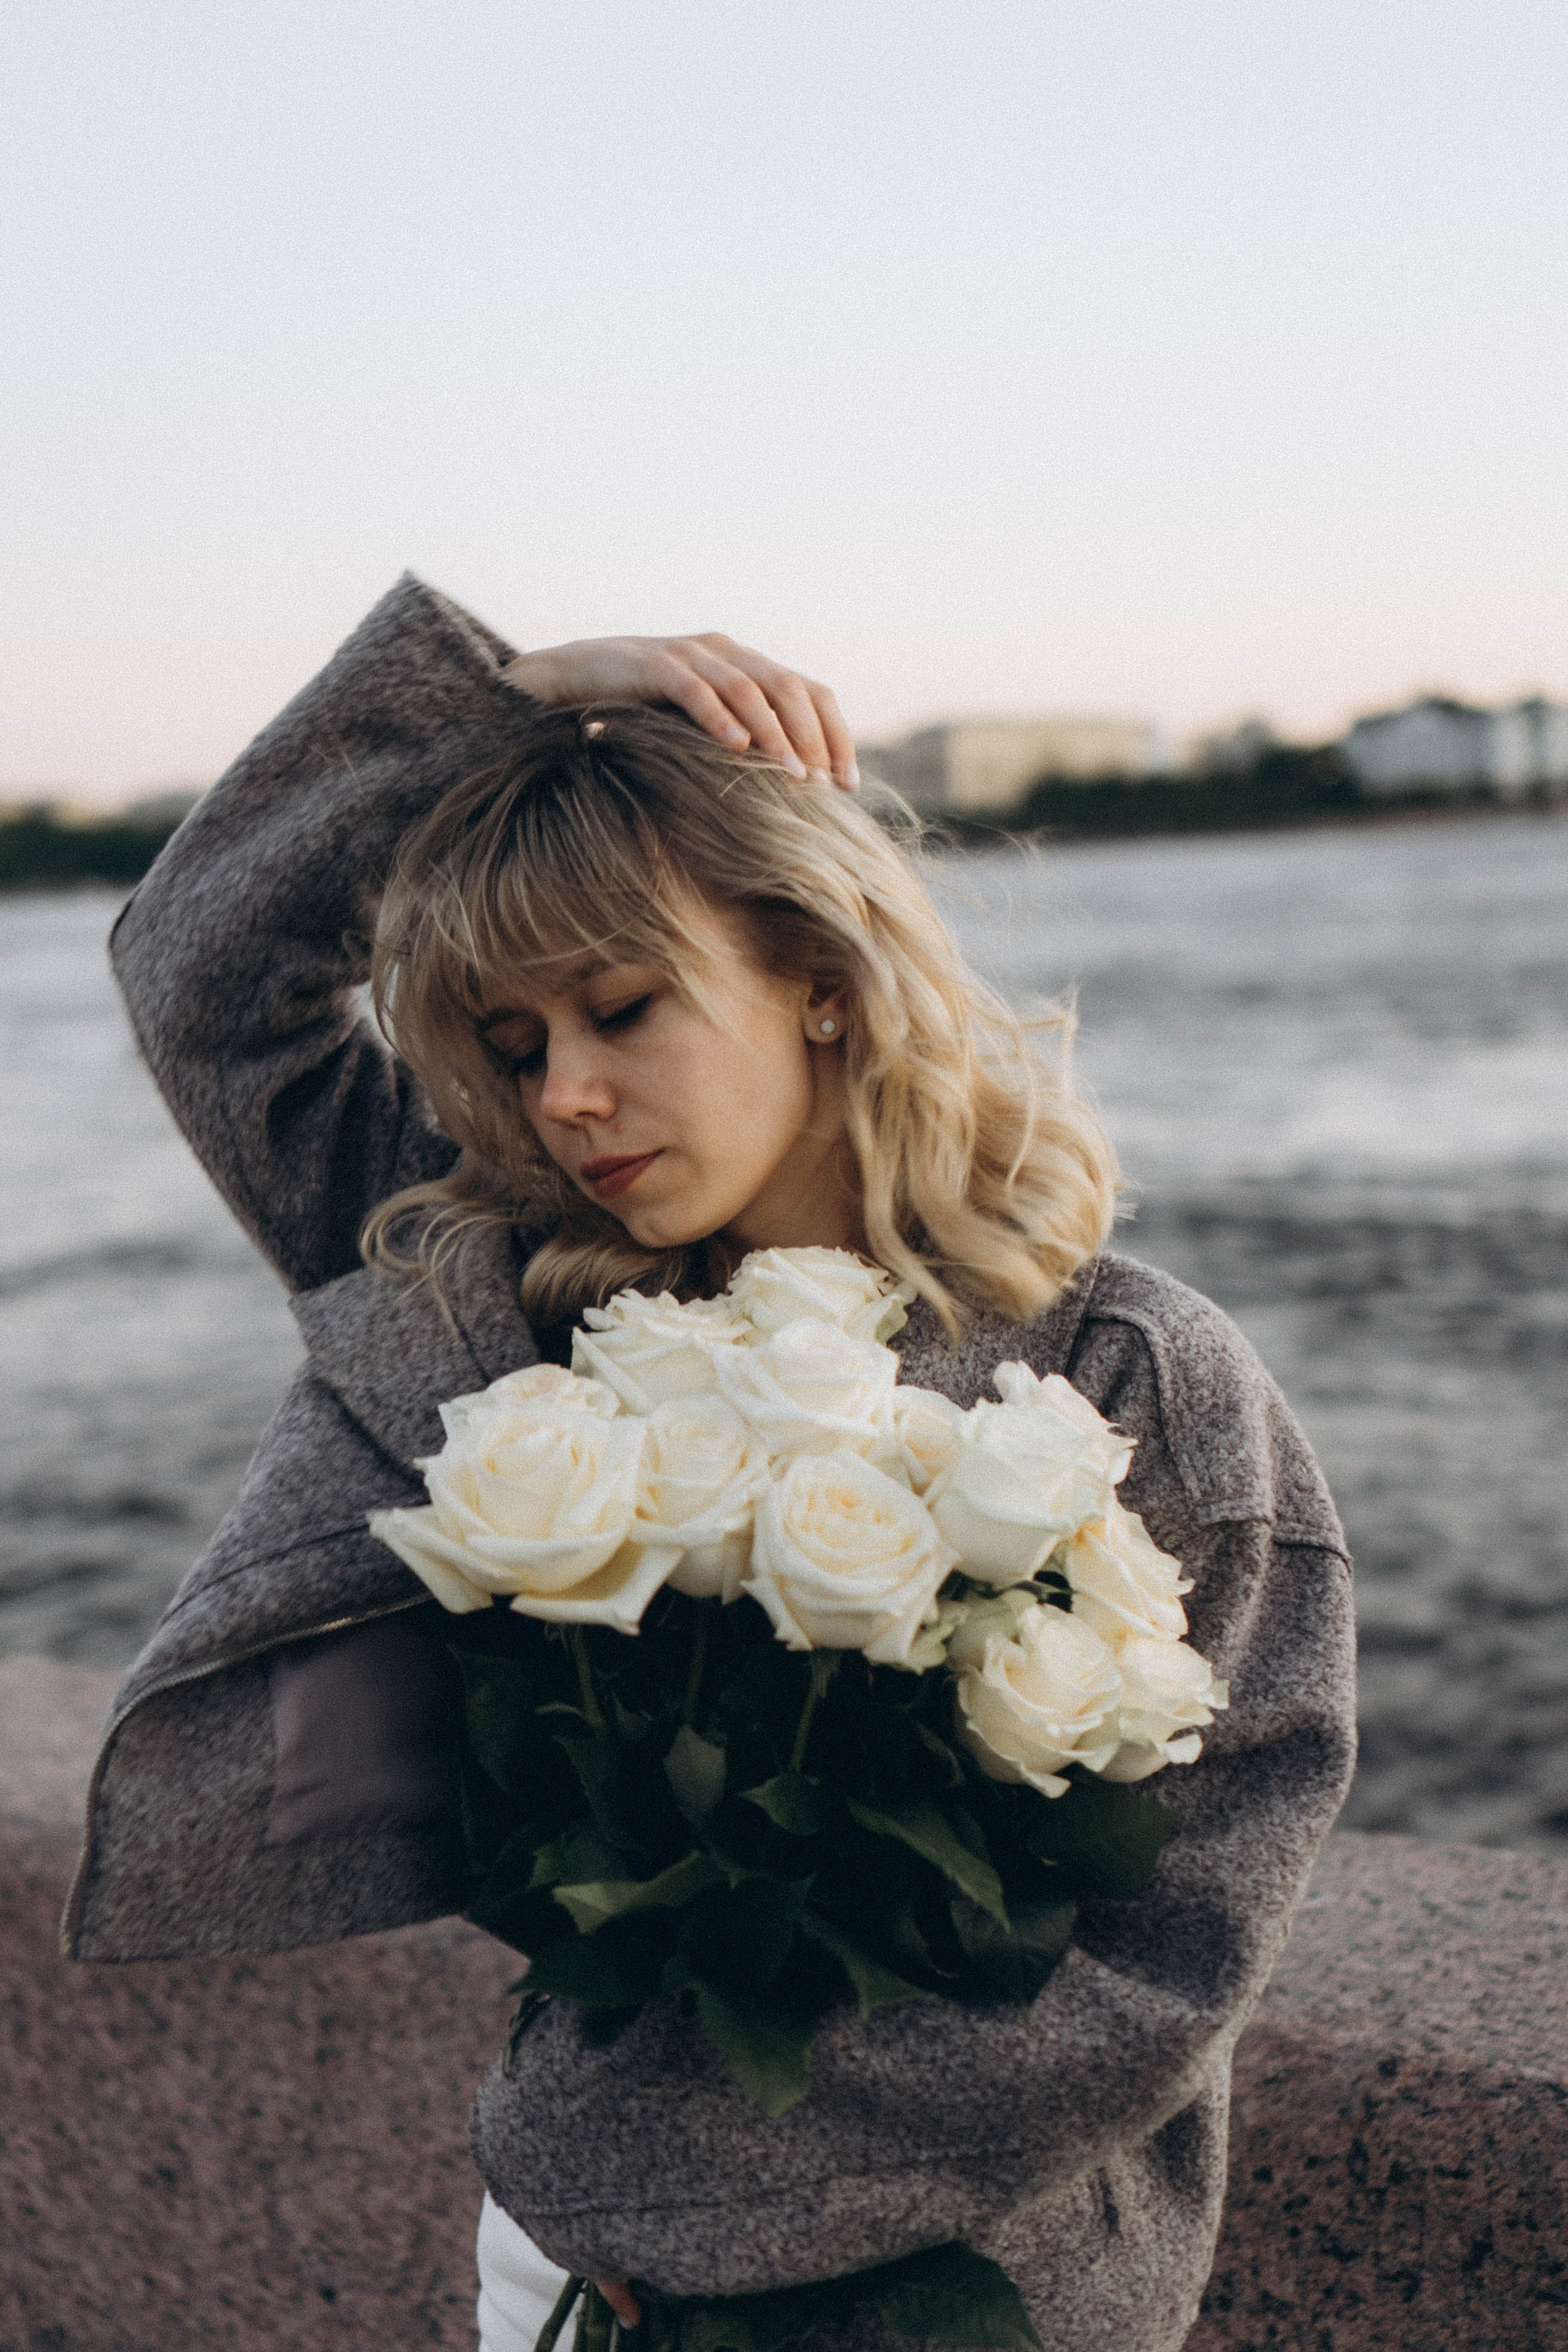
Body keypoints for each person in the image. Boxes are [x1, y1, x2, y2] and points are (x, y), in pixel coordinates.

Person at [70, 575, 1356, 2352]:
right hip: (562, 2260)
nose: (561, 1100)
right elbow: (204, 969)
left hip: (970, 2286)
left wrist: (698, 2197)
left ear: (820, 980)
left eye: (622, 1009)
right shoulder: (503, 1301)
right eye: (515, 1049)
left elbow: (1194, 1913)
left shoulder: (1127, 1371)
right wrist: (500, 697)